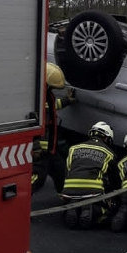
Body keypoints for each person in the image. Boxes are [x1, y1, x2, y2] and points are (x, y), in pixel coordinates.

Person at [61, 121, 117, 229]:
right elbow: (113, 178)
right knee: (108, 210)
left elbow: (67, 170)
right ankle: (91, 208)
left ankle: (72, 206)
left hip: (69, 188)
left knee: (73, 196)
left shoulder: (73, 148)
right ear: (107, 138)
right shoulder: (109, 153)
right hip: (93, 191)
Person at [32, 62, 77, 193]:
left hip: (50, 150)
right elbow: (32, 125)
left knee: (61, 175)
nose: (52, 89)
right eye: (51, 87)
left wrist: (67, 101)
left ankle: (67, 203)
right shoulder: (35, 99)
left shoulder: (46, 96)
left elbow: (52, 107)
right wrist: (35, 147)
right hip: (40, 151)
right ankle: (19, 204)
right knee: (37, 180)